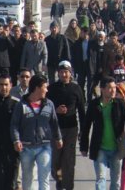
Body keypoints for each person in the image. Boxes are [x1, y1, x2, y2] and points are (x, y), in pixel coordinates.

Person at [80, 77, 125, 190]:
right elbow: (86, 126)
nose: (113, 90)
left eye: (114, 87)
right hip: (100, 148)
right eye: (110, 88)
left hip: (117, 148)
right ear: (102, 89)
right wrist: (84, 146)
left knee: (116, 182)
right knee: (101, 179)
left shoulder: (119, 104)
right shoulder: (94, 105)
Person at [10, 74, 63, 190]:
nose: (47, 90)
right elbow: (14, 124)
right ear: (37, 88)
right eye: (45, 87)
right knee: (27, 180)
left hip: (44, 146)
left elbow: (54, 122)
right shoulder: (21, 105)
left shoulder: (49, 104)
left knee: (44, 179)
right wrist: (16, 140)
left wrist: (58, 138)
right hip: (26, 147)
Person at [47, 60, 86, 190]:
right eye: (62, 72)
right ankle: (59, 182)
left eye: (66, 72)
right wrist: (56, 111)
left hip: (71, 128)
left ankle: (68, 187)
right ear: (58, 73)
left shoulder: (76, 88)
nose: (64, 75)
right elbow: (45, 108)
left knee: (68, 161)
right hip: (55, 129)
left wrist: (83, 132)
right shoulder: (51, 89)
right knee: (55, 160)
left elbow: (81, 110)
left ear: (70, 73)